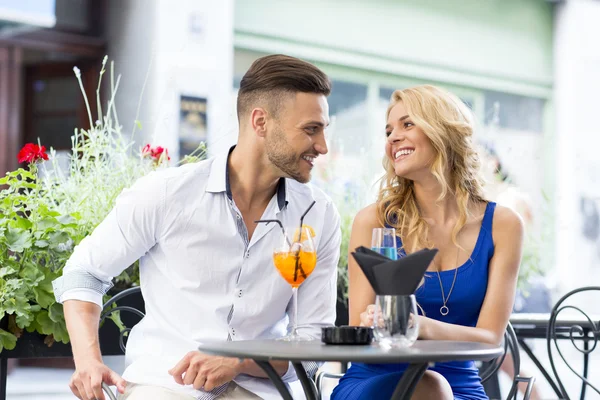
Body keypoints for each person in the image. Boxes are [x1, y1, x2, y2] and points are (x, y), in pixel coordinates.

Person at [52, 54, 341, 400]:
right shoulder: (167, 194)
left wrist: (240, 361)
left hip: (261, 390)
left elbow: (312, 341)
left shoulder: (318, 214)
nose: (323, 146)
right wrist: (87, 362)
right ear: (261, 122)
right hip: (164, 385)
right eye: (311, 129)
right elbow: (84, 272)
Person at [331, 85, 524, 400]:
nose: (393, 137)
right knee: (431, 388)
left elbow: (490, 338)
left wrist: (419, 326)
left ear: (443, 132)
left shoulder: (504, 226)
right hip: (376, 383)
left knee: (436, 387)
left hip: (461, 387)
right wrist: (373, 322)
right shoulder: (374, 221)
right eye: (389, 130)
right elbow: (358, 332)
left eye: (408, 124)